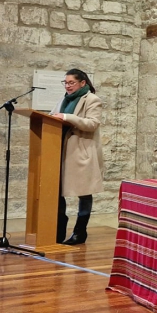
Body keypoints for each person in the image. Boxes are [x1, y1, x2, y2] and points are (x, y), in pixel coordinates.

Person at [51, 69, 105, 245]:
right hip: (60, 150)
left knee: (84, 192)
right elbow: (52, 117)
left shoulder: (92, 100)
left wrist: (67, 117)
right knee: (57, 191)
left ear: (82, 83)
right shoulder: (63, 99)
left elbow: (92, 123)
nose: (67, 86)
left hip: (81, 152)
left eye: (71, 83)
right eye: (65, 83)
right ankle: (58, 228)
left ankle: (80, 231)